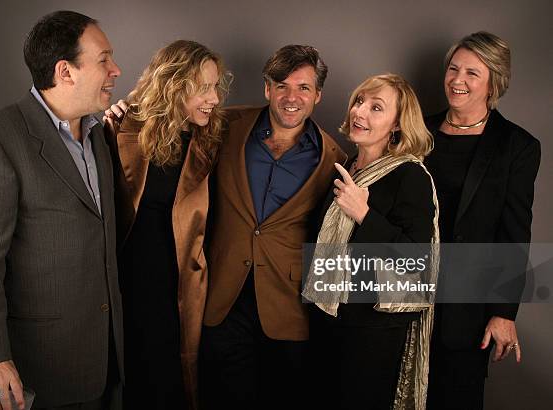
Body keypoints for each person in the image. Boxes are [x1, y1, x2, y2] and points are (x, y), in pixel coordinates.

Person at [0, 10, 123, 410]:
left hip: (105, 361)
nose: (116, 69)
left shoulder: (98, 136)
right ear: (65, 71)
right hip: (37, 370)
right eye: (104, 59)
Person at [199, 44, 346, 410]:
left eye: (303, 88)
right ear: (267, 88)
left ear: (317, 96)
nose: (291, 97)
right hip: (223, 299)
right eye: (282, 85)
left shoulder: (335, 160)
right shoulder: (226, 126)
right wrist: (127, 111)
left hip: (288, 306)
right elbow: (169, 122)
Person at [103, 40, 229, 410]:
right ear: (173, 85)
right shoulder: (124, 126)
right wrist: (114, 117)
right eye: (203, 88)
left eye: (216, 86)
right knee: (133, 382)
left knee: (177, 383)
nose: (214, 98)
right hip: (129, 285)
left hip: (185, 286)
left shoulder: (212, 135)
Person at [303, 73, 439, 410]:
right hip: (328, 317)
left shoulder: (409, 175)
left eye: (376, 107)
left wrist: (365, 214)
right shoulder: (345, 168)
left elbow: (416, 261)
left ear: (396, 125)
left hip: (373, 330)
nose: (360, 112)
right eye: (359, 101)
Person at [425, 32, 541, 410]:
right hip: (406, 301)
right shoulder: (415, 132)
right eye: (453, 69)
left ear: (494, 82)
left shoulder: (517, 146)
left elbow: (514, 235)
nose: (458, 80)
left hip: (467, 313)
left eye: (472, 73)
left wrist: (504, 312)